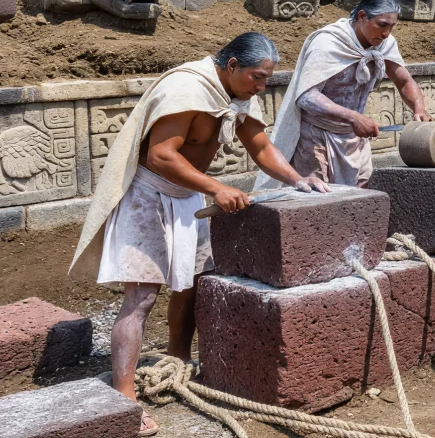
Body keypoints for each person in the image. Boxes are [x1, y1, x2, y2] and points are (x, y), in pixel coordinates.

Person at [69, 33, 326, 436]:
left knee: (192, 285)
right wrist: (215, 187)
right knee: (140, 297)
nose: (261, 87)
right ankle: (124, 397)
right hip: (148, 194)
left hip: (188, 195)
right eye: (257, 77)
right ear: (232, 66)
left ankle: (178, 361)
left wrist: (297, 180)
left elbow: (258, 144)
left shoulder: (238, 93)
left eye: (265, 79)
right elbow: (160, 155)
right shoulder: (186, 87)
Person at [259, 0, 431, 190]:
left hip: (354, 138)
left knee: (361, 197)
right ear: (362, 17)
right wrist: (354, 118)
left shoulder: (385, 44)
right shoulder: (328, 42)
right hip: (317, 139)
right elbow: (306, 96)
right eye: (382, 25)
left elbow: (404, 82)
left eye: (391, 27)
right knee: (318, 200)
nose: (386, 33)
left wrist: (419, 108)